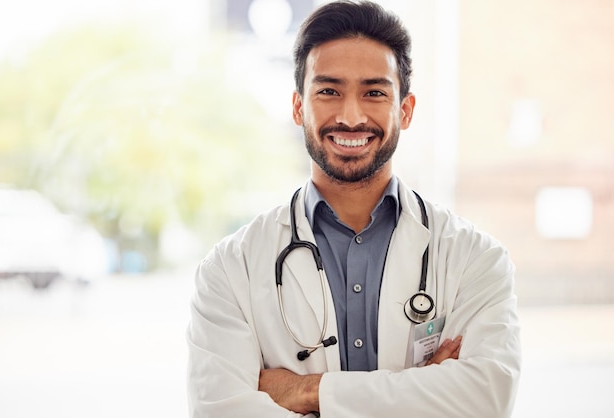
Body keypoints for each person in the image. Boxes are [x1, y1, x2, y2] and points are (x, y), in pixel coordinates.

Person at [187, 1, 521, 417]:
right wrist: (421, 392)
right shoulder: (230, 270)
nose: (350, 116)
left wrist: (308, 392)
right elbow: (220, 411)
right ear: (297, 107)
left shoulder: (476, 260)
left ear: (405, 110)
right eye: (328, 91)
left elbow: (485, 399)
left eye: (374, 92)